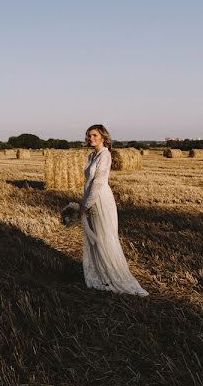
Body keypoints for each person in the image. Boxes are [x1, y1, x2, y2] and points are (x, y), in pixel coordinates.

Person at [79, 124, 148, 296]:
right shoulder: (91, 155)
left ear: (102, 137)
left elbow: (98, 182)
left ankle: (115, 275)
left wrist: (86, 205)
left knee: (104, 237)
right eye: (89, 136)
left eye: (94, 135)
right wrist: (85, 200)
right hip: (89, 197)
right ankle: (102, 274)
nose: (91, 138)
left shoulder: (105, 155)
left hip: (100, 199)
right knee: (95, 238)